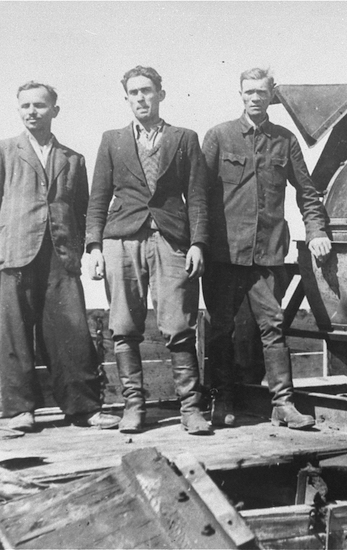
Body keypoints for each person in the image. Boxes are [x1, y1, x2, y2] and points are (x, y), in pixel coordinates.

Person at [0, 81, 120, 432]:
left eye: (39, 105)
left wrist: (86, 250)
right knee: (15, 333)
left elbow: (84, 211)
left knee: (71, 331)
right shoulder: (2, 150)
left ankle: (82, 407)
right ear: (18, 109)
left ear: (55, 110)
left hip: (60, 255)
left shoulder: (73, 159)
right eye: (25, 106)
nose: (32, 112)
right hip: (14, 255)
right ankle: (21, 410)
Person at [202, 67, 332, 430]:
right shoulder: (219, 137)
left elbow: (307, 192)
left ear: (272, 95)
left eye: (261, 92)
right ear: (240, 94)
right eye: (248, 92)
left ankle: (284, 404)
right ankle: (221, 400)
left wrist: (317, 230)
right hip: (223, 256)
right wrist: (198, 245)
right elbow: (198, 195)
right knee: (220, 329)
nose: (255, 98)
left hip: (267, 254)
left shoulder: (285, 141)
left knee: (273, 326)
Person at [86, 66, 211, 435]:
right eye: (134, 93)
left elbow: (198, 198)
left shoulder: (184, 138)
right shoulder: (113, 140)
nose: (141, 98)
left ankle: (191, 409)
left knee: (178, 325)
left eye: (147, 91)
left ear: (161, 93)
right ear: (126, 98)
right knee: (124, 325)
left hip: (171, 240)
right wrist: (94, 246)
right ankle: (133, 407)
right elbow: (98, 199)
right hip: (121, 240)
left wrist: (198, 243)